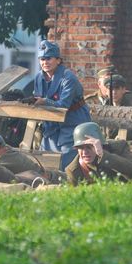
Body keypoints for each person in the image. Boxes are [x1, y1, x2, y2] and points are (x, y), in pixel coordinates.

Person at [33, 40, 91, 171]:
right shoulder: (38, 77)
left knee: (66, 159)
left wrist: (44, 101)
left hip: (73, 121)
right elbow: (37, 98)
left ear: (58, 60)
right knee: (45, 156)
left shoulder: (68, 77)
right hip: (51, 124)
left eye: (49, 58)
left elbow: (63, 105)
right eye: (42, 59)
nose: (45, 62)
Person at [65, 122, 132, 185]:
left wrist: (104, 156)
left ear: (99, 144)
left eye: (89, 147)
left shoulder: (118, 147)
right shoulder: (74, 170)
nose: (84, 152)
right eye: (80, 148)